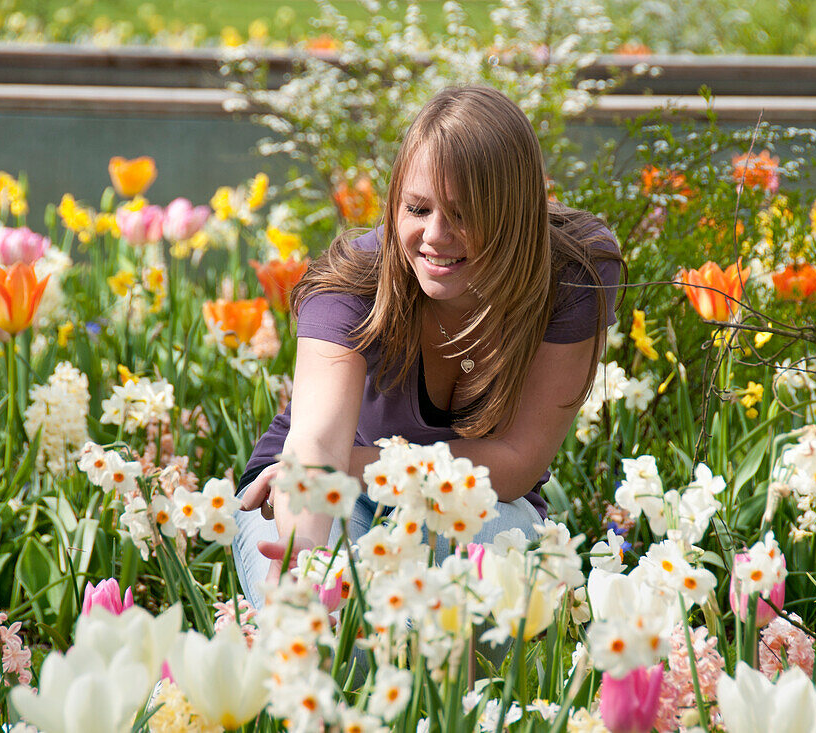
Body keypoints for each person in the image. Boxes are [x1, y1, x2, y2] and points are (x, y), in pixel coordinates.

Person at [232, 85, 624, 607]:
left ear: (516, 213)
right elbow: (317, 448)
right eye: (417, 208)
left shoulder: (573, 276)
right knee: (329, 625)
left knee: (474, 612)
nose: (435, 236)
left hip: (480, 500)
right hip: (311, 494)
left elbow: (515, 461)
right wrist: (304, 564)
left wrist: (352, 463)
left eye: (463, 214)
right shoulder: (351, 286)